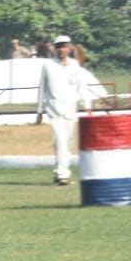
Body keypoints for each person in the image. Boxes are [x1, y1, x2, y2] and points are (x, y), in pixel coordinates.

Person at [36, 35, 91, 186]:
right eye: (58, 47)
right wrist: (39, 110)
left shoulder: (75, 65)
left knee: (68, 143)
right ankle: (63, 175)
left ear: (70, 48)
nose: (61, 50)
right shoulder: (48, 65)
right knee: (60, 140)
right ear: (54, 48)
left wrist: (87, 106)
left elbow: (81, 87)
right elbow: (42, 88)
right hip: (54, 109)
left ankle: (60, 171)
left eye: (64, 46)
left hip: (70, 109)